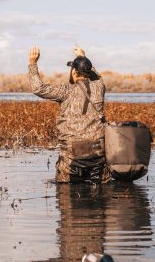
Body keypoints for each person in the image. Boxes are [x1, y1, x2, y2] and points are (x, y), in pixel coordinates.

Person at [28, 45, 107, 184]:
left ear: (74, 72)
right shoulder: (99, 87)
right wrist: (82, 57)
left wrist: (33, 64)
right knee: (99, 193)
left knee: (66, 192)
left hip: (72, 155)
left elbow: (38, 88)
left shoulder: (65, 91)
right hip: (98, 153)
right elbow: (96, 76)